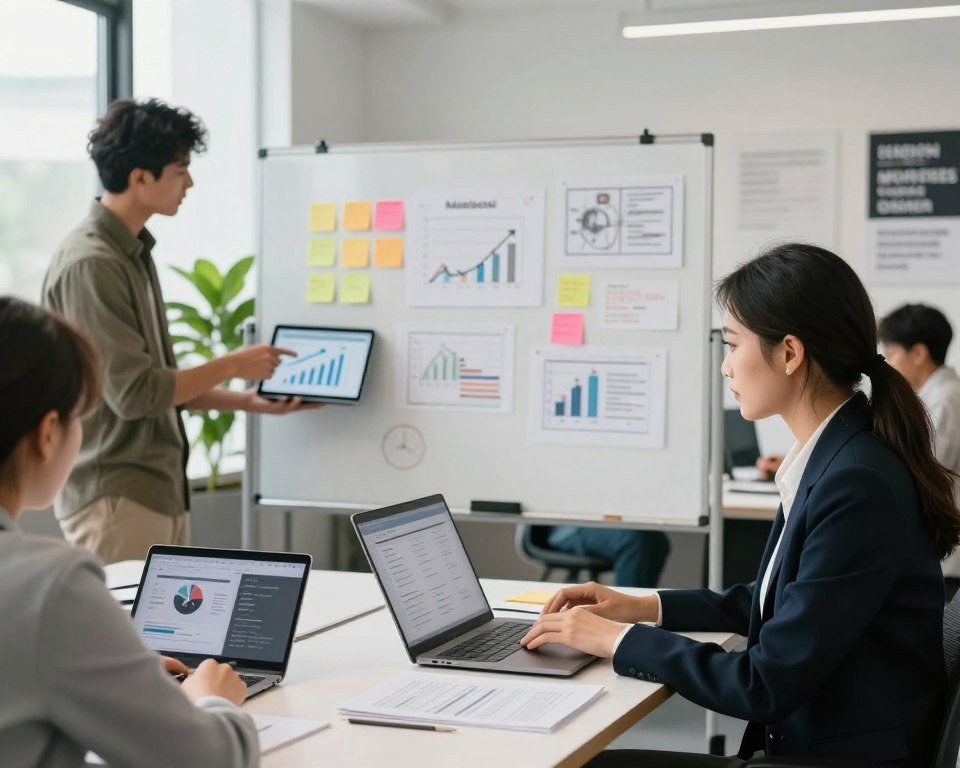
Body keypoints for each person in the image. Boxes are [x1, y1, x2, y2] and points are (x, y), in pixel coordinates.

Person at [520, 243, 959, 767]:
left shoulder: (854, 481)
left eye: (732, 345)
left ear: (790, 353)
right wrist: (644, 607)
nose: (726, 367)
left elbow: (763, 683)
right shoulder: (838, 456)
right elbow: (782, 601)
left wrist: (619, 640)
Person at [42, 98, 317, 564]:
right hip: (118, 498)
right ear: (140, 177)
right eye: (180, 169)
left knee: (166, 641)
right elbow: (135, 394)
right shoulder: (94, 263)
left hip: (150, 493)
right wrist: (234, 363)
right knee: (128, 640)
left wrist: (249, 401)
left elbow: (159, 383)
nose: (189, 183)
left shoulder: (130, 252)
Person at [0, 296, 258, 768]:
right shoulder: (49, 585)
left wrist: (117, 675)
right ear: (48, 431)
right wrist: (210, 698)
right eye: (83, 416)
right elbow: (210, 759)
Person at [879, 303, 960, 596]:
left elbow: (922, 469)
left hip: (949, 562)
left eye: (890, 353)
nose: (887, 363)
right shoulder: (940, 395)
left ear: (918, 353)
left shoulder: (944, 401)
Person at [546, 526, 670, 587]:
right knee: (634, 541)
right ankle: (626, 616)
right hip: (569, 525)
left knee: (658, 540)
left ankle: (645, 613)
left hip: (611, 521)